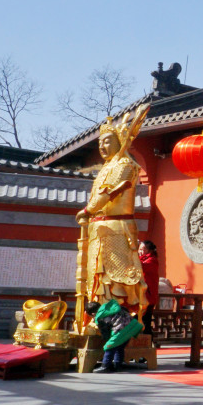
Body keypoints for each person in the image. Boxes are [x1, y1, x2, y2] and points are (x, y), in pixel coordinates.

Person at [74, 104, 150, 334]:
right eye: (99, 143)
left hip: (117, 228)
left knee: (115, 278)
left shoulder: (125, 165)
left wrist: (87, 210)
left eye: (107, 140)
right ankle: (97, 318)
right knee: (96, 278)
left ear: (119, 140)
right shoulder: (105, 168)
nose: (102, 146)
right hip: (99, 229)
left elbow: (109, 193)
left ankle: (117, 323)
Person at [85, 299, 144, 373]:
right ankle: (117, 365)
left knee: (109, 346)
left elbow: (105, 331)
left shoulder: (99, 316)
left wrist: (105, 339)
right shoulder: (110, 307)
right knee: (119, 347)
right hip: (133, 325)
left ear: (93, 314)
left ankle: (105, 366)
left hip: (121, 329)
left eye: (91, 316)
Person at [139, 240, 159, 338]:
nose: (140, 251)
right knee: (141, 319)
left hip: (148, 296)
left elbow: (141, 267)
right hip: (142, 295)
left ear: (149, 250)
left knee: (146, 321)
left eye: (143, 249)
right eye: (140, 249)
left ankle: (148, 343)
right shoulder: (142, 259)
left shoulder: (152, 260)